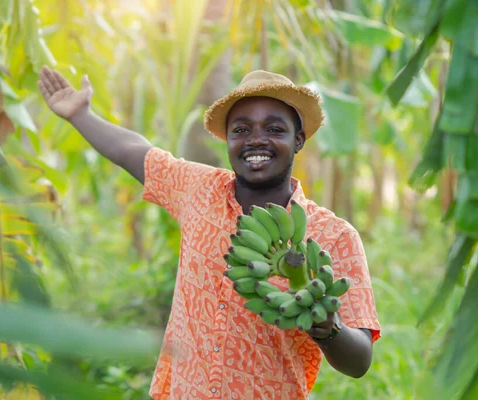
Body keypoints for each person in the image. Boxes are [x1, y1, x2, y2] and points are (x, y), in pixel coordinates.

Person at [38, 67, 381, 399]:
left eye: (274, 129)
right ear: (228, 140)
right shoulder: (198, 189)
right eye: (241, 130)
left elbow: (359, 360)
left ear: (299, 140)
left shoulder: (333, 235)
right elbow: (133, 150)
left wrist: (329, 329)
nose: (256, 140)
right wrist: (80, 114)